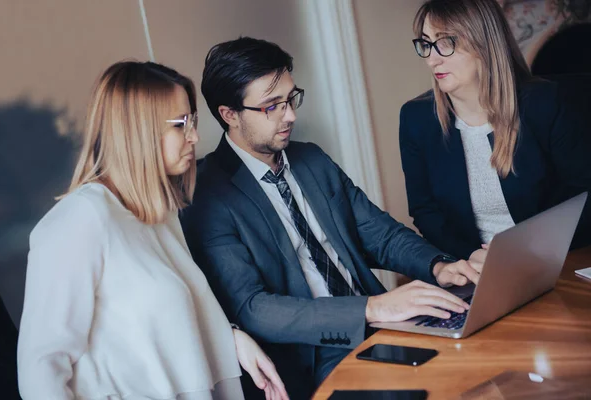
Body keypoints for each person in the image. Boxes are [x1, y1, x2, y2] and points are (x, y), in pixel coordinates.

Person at [180, 37, 478, 397]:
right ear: (230, 114)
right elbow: (254, 308)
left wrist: (439, 266)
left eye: (292, 99)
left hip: (385, 325)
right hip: (313, 354)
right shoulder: (208, 193)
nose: (290, 115)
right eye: (272, 106)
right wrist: (370, 308)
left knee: (477, 361)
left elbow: (380, 235)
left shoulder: (311, 160)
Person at [17, 61, 288, 400]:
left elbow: (167, 317)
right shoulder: (80, 219)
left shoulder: (159, 213)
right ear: (135, 130)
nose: (194, 136)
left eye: (193, 121)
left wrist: (233, 338)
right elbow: (41, 367)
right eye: (180, 124)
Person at [400, 0, 591, 261]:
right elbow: (425, 212)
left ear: (483, 43)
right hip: (470, 268)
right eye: (426, 43)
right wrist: (470, 257)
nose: (432, 59)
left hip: (553, 259)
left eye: (446, 42)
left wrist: (527, 248)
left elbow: (583, 196)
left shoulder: (544, 103)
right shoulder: (416, 118)